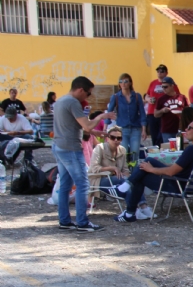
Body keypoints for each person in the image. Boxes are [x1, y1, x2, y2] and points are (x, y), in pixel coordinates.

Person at [113, 120, 193, 223]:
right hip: (191, 185)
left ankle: (129, 210)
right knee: (149, 161)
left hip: (178, 185)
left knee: (141, 177)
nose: (186, 130)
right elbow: (179, 167)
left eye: (189, 128)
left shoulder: (191, 150)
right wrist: (156, 165)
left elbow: (171, 172)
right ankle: (127, 191)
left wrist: (151, 169)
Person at [52, 76, 116, 232]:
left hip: (59, 146)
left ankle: (65, 220)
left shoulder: (60, 101)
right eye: (88, 94)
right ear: (80, 90)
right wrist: (101, 117)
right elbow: (86, 126)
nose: (88, 97)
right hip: (71, 148)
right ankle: (82, 222)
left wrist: (96, 132)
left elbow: (75, 125)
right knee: (83, 184)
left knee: (65, 185)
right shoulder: (73, 102)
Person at [88, 126, 152, 218]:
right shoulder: (100, 148)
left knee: (133, 180)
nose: (116, 140)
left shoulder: (122, 149)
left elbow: (125, 168)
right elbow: (93, 168)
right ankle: (134, 210)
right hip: (100, 178)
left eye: (119, 138)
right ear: (108, 138)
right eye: (113, 137)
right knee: (125, 181)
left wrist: (126, 174)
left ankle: (143, 207)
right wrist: (111, 168)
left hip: (118, 179)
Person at [107, 73, 146, 162]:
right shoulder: (116, 97)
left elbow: (142, 113)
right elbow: (109, 112)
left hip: (135, 129)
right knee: (122, 153)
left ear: (130, 83)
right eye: (121, 81)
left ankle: (134, 174)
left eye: (126, 81)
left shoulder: (137, 96)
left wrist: (144, 129)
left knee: (134, 154)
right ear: (119, 84)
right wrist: (105, 128)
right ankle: (124, 173)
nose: (123, 83)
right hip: (122, 129)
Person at [154, 76, 187, 143]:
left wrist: (182, 113)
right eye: (162, 87)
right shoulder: (161, 99)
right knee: (169, 149)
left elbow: (188, 112)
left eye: (166, 87)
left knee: (181, 148)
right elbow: (155, 114)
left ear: (172, 86)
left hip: (180, 128)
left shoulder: (182, 97)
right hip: (167, 129)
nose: (164, 89)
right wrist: (162, 110)